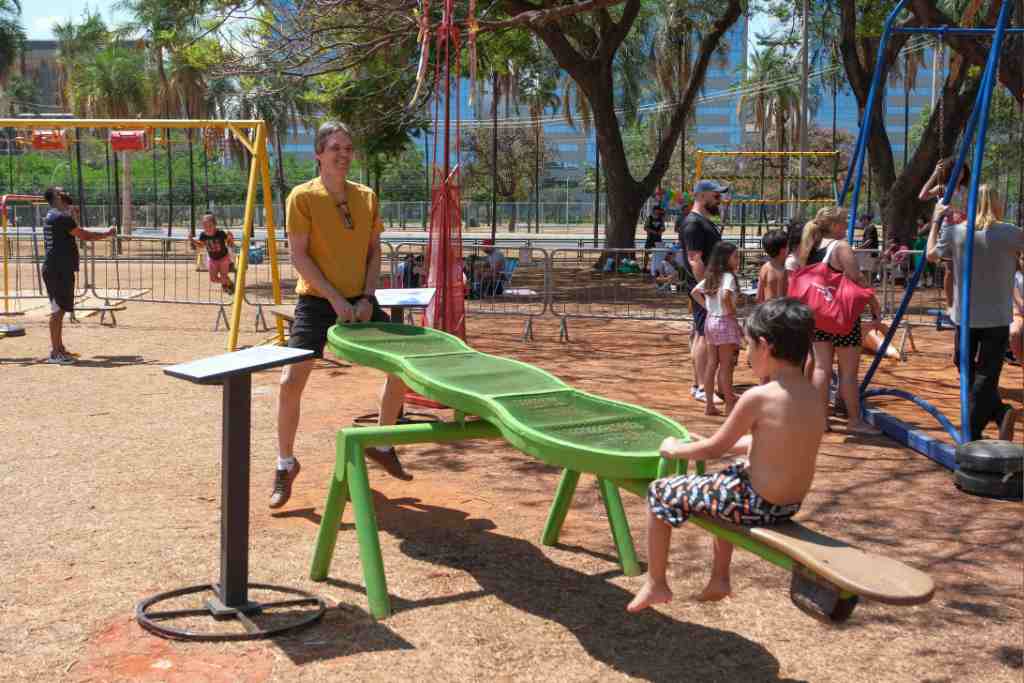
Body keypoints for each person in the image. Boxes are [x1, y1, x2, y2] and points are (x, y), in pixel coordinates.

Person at [627, 298, 825, 612]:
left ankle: (656, 583)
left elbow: (714, 449)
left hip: (756, 505)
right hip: (787, 505)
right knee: (732, 474)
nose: (745, 355)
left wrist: (675, 449)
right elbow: (771, 442)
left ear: (765, 346)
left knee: (660, 491)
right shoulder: (813, 396)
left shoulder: (758, 397)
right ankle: (719, 578)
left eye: (747, 346)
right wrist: (715, 442)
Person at [273, 121, 411, 510]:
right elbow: (299, 256)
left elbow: (373, 252)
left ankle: (382, 444)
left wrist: (367, 296)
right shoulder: (302, 197)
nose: (343, 154)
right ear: (318, 154)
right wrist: (334, 299)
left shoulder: (366, 196)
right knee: (290, 380)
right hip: (318, 301)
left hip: (360, 298)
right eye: (335, 147)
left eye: (348, 148)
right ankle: (285, 464)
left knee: (403, 366)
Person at [927, 184, 1023, 442]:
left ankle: (973, 431)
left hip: (966, 315)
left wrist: (936, 222)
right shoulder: (1011, 232)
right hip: (997, 316)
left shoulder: (957, 231)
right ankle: (999, 412)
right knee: (985, 372)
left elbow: (931, 256)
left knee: (968, 368)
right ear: (998, 203)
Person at [798, 206, 883, 434]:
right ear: (835, 226)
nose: (848, 225)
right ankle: (854, 420)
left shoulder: (812, 245)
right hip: (842, 316)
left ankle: (821, 419)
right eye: (845, 221)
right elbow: (856, 277)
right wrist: (874, 304)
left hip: (818, 314)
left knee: (821, 368)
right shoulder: (840, 246)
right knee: (848, 372)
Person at [41, 186, 116, 365]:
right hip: (58, 269)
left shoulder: (54, 216)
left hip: (57, 268)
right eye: (61, 192)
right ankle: (55, 352)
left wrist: (71, 213)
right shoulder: (61, 218)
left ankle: (59, 348)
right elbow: (84, 235)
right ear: (56, 198)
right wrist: (107, 234)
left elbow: (73, 229)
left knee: (59, 310)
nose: (65, 193)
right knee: (57, 311)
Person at [679, 179, 729, 403]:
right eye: (716, 196)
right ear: (701, 196)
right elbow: (694, 260)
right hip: (704, 288)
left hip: (710, 285)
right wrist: (706, 289)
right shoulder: (693, 224)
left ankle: (698, 384)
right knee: (703, 335)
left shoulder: (703, 222)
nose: (719, 200)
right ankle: (701, 387)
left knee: (701, 333)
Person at [692, 242, 742, 416]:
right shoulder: (728, 277)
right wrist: (731, 312)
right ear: (725, 258)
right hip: (724, 322)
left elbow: (695, 292)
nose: (738, 260)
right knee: (726, 365)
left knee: (712, 363)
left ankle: (709, 405)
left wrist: (708, 307)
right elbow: (726, 295)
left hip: (711, 321)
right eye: (735, 256)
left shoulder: (712, 276)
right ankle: (729, 404)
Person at [920, 157, 970, 311]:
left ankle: (962, 303)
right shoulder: (942, 188)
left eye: (961, 171)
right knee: (950, 269)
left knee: (963, 270)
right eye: (956, 171)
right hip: (948, 231)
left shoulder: (965, 190)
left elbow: (969, 210)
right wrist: (935, 174)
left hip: (962, 230)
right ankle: (950, 306)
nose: (959, 174)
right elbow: (923, 195)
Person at [190, 213, 235, 294]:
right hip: (212, 259)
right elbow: (201, 245)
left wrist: (230, 238)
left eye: (210, 226)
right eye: (205, 226)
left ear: (215, 225)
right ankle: (229, 283)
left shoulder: (220, 233)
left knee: (224, 276)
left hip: (223, 258)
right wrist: (192, 240)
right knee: (213, 279)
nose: (208, 228)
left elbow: (229, 244)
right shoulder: (203, 235)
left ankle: (228, 286)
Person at [757, 229, 788, 303]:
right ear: (783, 251)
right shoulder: (787, 269)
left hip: (768, 308)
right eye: (788, 246)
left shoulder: (765, 268)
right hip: (784, 308)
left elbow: (759, 296)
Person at [1011, 253, 1023, 363]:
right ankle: (1021, 360)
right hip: (1018, 314)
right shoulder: (1015, 277)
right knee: (1014, 332)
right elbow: (1017, 298)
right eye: (1023, 259)